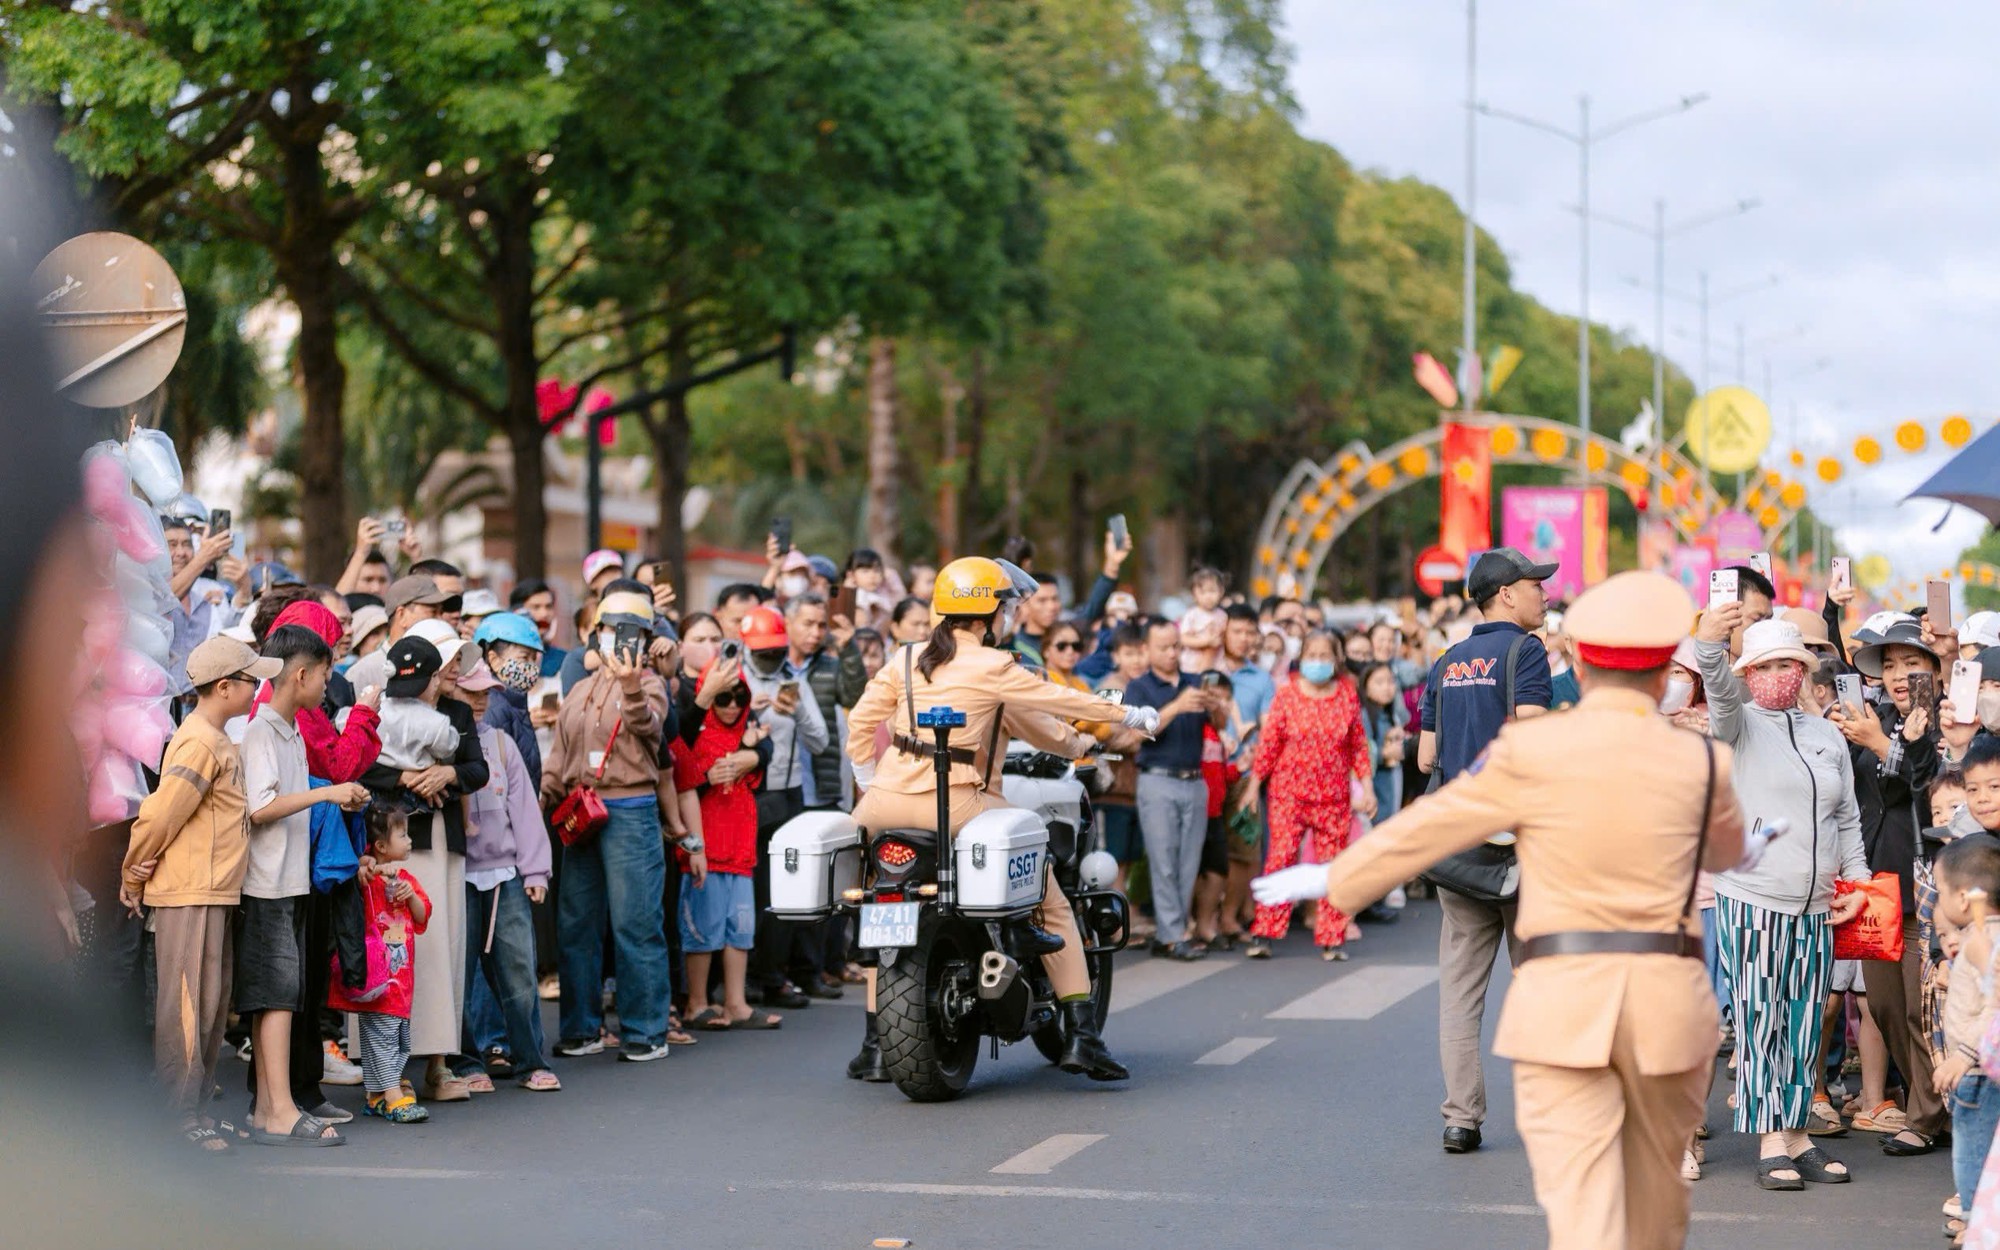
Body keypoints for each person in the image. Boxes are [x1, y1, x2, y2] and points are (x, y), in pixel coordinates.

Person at [1251, 571, 1747, 1250]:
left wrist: (1335, 875)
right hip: (1667, 1008)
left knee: (1583, 1213)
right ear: (1665, 675)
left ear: (1581, 663)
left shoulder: (1532, 751)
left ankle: (1468, 1115)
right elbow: (1728, 852)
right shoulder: (1700, 761)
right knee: (1659, 1212)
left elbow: (1430, 822)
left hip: (1562, 1012)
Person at [845, 556, 1153, 1081]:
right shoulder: (993, 667)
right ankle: (1081, 1034)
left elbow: (859, 721)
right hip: (960, 802)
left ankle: (877, 1046)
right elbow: (1053, 701)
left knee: (882, 911)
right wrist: (1126, 714)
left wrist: (869, 777)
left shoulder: (906, 658)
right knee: (1047, 889)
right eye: (1006, 607)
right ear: (989, 615)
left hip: (882, 805)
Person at [1695, 608, 1870, 1189]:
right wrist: (1710, 642)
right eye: (1765, 665)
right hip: (1753, 896)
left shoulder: (1825, 735)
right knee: (1762, 1017)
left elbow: (1846, 816)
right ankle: (1772, 1138)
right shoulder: (1737, 724)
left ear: (1803, 669)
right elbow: (1717, 689)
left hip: (1816, 904)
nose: (1779, 674)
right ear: (1749, 673)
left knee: (1804, 1020)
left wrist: (1858, 881)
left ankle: (1797, 1133)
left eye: (1788, 664)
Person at [1416, 546, 1555, 1153]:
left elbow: (1427, 758)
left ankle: (1460, 1118)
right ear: (1506, 594)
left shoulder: (1445, 662)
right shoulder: (1526, 652)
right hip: (1520, 849)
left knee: (1460, 992)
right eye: (1536, 587)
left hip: (1458, 848)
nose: (1544, 596)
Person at [120, 637, 279, 1152]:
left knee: (210, 1006)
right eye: (251, 680)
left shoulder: (216, 739)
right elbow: (161, 815)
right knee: (187, 1009)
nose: (257, 688)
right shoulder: (198, 742)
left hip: (213, 891)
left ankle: (197, 1111)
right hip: (188, 892)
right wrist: (131, 875)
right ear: (224, 687)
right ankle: (178, 1117)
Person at [237, 625, 371, 1145]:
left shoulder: (289, 730)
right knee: (274, 998)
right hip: (266, 884)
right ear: (300, 675)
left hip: (289, 881)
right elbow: (262, 807)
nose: (327, 683)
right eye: (324, 674)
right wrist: (327, 794)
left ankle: (273, 1108)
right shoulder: (263, 731)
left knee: (283, 997)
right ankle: (276, 1109)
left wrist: (333, 794)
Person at [541, 587, 674, 1061]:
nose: (617, 638)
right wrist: (543, 795)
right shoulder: (578, 687)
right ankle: (581, 1028)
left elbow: (651, 729)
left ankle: (645, 1031)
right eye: (609, 628)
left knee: (635, 923)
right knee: (576, 923)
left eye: (630, 630)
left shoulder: (652, 684)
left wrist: (633, 683)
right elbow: (560, 754)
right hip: (583, 809)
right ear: (594, 633)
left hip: (631, 809)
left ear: (645, 637)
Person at [1838, 618, 1948, 1155]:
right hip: (1873, 885)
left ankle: (1928, 1118)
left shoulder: (1947, 720)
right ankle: (1925, 1101)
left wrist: (1883, 744)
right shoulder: (1873, 717)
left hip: (1925, 885)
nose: (1899, 675)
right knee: (1880, 1005)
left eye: (1911, 663)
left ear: (1934, 667)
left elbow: (1928, 783)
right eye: (1889, 664)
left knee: (1917, 1006)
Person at [453, 659, 560, 1091]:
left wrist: (535, 870)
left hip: (504, 873)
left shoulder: (500, 744)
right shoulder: (441, 741)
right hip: (457, 875)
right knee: (459, 974)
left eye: (485, 692)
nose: (480, 700)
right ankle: (465, 1062)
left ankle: (531, 1059)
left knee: (518, 968)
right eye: (470, 692)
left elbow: (525, 811)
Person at [1240, 633, 1375, 960]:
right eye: (1311, 654)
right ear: (1302, 657)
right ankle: (1265, 933)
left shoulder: (1345, 695)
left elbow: (1358, 745)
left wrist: (1367, 786)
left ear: (1336, 659)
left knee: (1333, 867)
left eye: (1324, 654)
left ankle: (1332, 937)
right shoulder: (1286, 695)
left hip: (1333, 798)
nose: (1317, 660)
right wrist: (1251, 787)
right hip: (1289, 795)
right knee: (1280, 859)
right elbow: (1269, 745)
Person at [674, 659, 780, 1031]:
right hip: (705, 848)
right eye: (723, 698)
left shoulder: (750, 736)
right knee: (701, 929)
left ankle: (736, 1003)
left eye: (739, 697)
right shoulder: (695, 735)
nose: (733, 705)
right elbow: (677, 779)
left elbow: (765, 771)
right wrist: (708, 775)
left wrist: (752, 754)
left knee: (740, 929)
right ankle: (697, 1002)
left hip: (740, 849)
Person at [1126, 619, 1227, 961]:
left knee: (1188, 863)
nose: (1172, 653)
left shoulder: (1194, 681)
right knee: (1164, 859)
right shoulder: (1140, 687)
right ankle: (1172, 934)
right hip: (1157, 779)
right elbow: (1139, 732)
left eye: (1176, 647)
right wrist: (1176, 706)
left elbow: (1220, 726)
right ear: (1147, 650)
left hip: (1194, 779)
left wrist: (1216, 708)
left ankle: (1175, 930)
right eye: (1164, 647)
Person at [328, 806, 432, 1122]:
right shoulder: (367, 878)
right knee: (384, 1038)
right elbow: (352, 885)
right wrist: (364, 869)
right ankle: (393, 1095)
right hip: (377, 979)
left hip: (400, 983)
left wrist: (410, 894)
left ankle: (375, 1095)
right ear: (381, 846)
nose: (410, 840)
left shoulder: (408, 880)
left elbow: (423, 914)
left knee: (397, 1040)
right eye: (403, 834)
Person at [1933, 830, 2000, 1235]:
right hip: (1979, 1070)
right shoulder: (1980, 937)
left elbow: (1995, 1007)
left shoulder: (1984, 942)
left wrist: (1964, 1056)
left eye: (1940, 889)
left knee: (1972, 1161)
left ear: (1963, 898)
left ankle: (1977, 1223)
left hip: (1978, 1075)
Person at [1179, 567, 1227, 673]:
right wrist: (1206, 642)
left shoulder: (1223, 615)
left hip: (1217, 665)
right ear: (1194, 595)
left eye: (1212, 591)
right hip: (1191, 666)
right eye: (1203, 592)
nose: (1208, 596)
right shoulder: (1191, 615)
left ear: (1221, 592)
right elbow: (1183, 638)